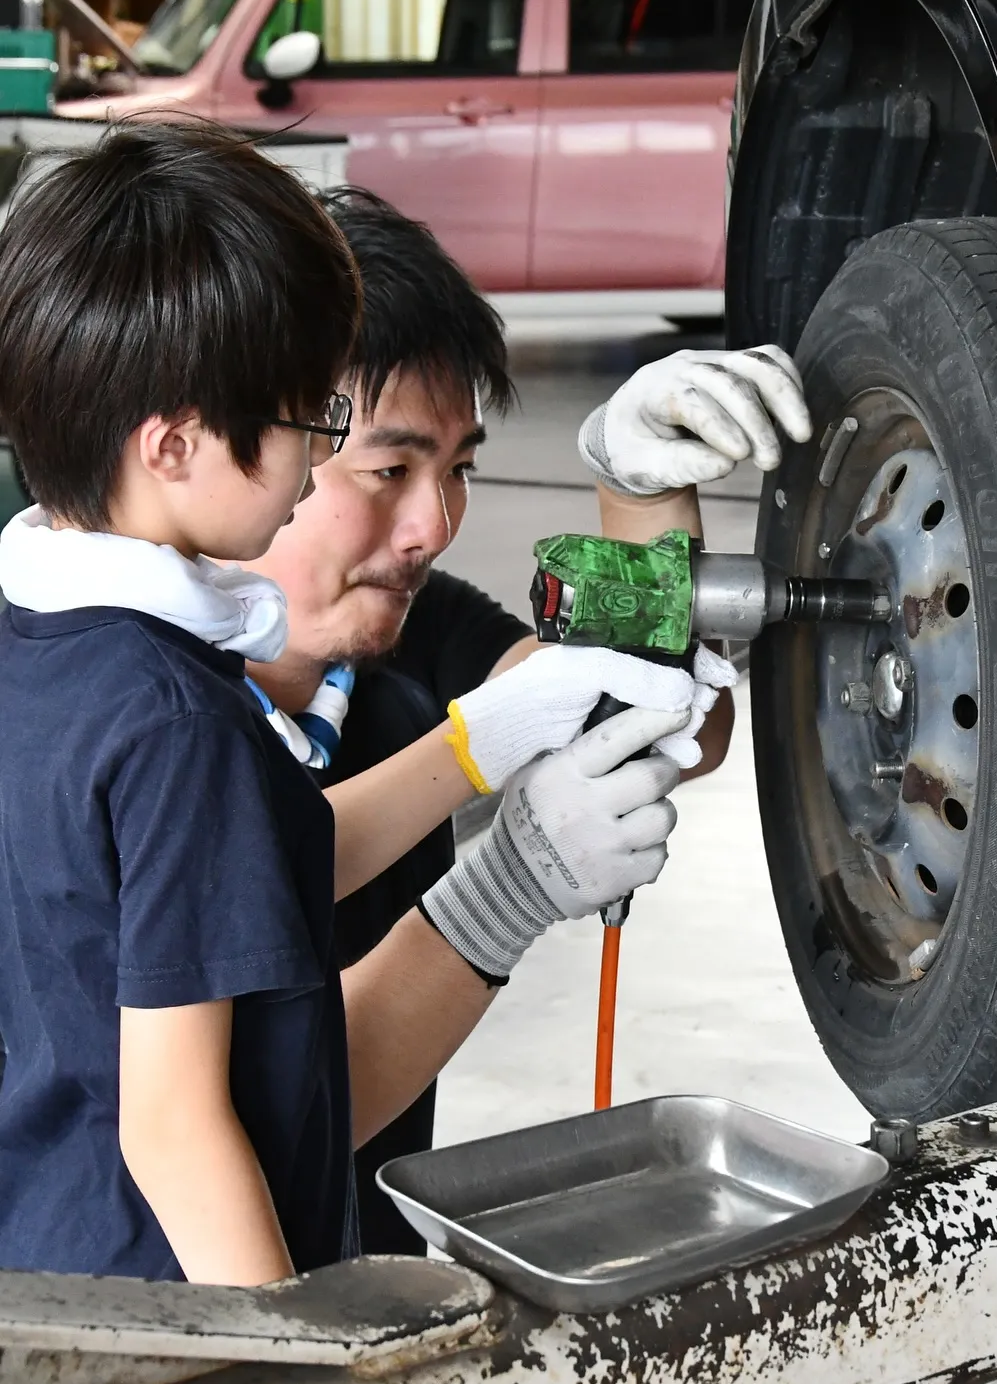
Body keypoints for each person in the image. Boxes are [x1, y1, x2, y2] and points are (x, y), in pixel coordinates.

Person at [0, 122, 701, 1285]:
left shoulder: (51, 649)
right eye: (312, 428)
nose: (425, 521)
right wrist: (287, 1362)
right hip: (173, 1300)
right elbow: (171, 1127)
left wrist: (486, 741)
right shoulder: (180, 724)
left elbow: (246, 866)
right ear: (173, 442)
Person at [243, 187, 811, 1252]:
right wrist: (503, 890)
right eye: (389, 470)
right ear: (251, 438)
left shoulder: (404, 632)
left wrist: (636, 493)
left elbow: (654, 724)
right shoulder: (123, 707)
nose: (432, 526)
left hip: (364, 1264)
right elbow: (263, 1122)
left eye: (458, 470)